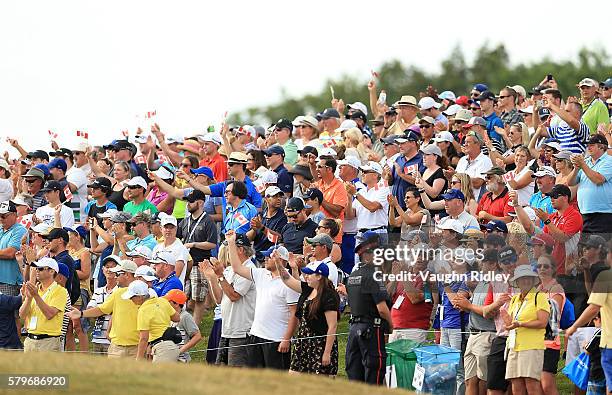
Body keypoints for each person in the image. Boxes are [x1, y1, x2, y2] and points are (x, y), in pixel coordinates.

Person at [228, 239, 299, 370]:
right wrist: (231, 243)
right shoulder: (261, 274)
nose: (265, 259)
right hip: (256, 335)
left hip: (276, 339)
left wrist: (286, 339)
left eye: (269, 257)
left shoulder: (290, 283)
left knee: (276, 381)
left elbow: (295, 313)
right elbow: (237, 268)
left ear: (281, 260)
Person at [340, 233, 392, 385]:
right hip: (370, 330)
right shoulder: (374, 275)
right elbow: (382, 308)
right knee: (374, 373)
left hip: (354, 330)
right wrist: (391, 324)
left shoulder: (353, 275)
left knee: (355, 376)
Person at [276, 256, 340, 376]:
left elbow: (333, 327)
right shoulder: (308, 289)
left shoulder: (329, 295)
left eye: (310, 274)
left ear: (319, 276)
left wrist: (327, 353)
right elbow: (286, 279)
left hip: (320, 345)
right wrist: (278, 262)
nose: (306, 277)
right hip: (303, 343)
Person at [68, 259, 140, 358]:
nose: (115, 276)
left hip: (136, 346)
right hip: (116, 346)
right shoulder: (118, 293)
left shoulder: (144, 294)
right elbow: (102, 309)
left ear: (127, 275)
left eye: (118, 274)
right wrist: (81, 314)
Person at [203, 233, 256, 367]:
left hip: (241, 332)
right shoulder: (229, 270)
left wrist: (220, 276)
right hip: (227, 330)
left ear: (240, 250)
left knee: (236, 372)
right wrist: (212, 278)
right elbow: (219, 299)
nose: (226, 251)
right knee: (222, 370)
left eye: (229, 248)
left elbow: (234, 296)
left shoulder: (249, 269)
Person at [503, 265, 550, 395]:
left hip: (531, 346)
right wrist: (508, 323)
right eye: (522, 278)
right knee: (516, 384)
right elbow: (512, 322)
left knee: (531, 384)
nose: (526, 281)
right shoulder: (514, 299)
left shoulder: (539, 296)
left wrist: (520, 324)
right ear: (517, 282)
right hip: (514, 345)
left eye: (528, 278)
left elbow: (542, 322)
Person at [122, 280, 180, 362]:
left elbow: (144, 338)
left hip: (161, 348)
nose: (130, 300)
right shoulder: (162, 301)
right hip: (172, 345)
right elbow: (177, 318)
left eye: (131, 297)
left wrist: (139, 358)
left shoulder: (143, 310)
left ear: (140, 297)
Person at [18, 257, 68, 352]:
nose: (37, 271)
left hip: (49, 341)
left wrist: (35, 296)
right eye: (36, 268)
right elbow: (22, 315)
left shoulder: (60, 291)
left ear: (52, 271)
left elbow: (49, 314)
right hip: (30, 340)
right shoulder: (35, 289)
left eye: (40, 268)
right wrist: (28, 298)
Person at [568, 134, 612, 234]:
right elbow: (570, 182)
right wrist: (576, 168)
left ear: (601, 146)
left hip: (603, 213)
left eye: (591, 145)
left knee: (601, 247)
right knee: (586, 248)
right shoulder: (586, 162)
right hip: (585, 212)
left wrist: (582, 164)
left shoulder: (609, 161)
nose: (588, 147)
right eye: (587, 145)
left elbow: (598, 179)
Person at [535, 254, 564, 395]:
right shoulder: (537, 289)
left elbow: (552, 316)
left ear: (553, 269)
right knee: (537, 385)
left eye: (546, 266)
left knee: (547, 384)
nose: (542, 269)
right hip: (534, 340)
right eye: (539, 266)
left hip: (549, 341)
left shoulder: (556, 288)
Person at [345, 161, 389, 244]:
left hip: (377, 232)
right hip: (360, 234)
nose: (362, 174)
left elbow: (372, 207)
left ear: (375, 175)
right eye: (362, 172)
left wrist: (355, 193)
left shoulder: (383, 189)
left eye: (365, 172)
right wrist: (349, 198)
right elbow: (350, 216)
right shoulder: (361, 191)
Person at [86, 256, 118, 354]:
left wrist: (98, 311)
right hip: (97, 338)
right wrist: (104, 311)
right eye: (107, 267)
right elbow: (90, 310)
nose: (109, 269)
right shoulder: (99, 291)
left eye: (113, 267)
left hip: (112, 339)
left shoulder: (120, 291)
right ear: (103, 269)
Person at [248, 186, 287, 261]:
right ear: (266, 199)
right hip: (257, 257)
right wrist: (254, 229)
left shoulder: (283, 217)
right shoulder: (260, 215)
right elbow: (249, 238)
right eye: (275, 196)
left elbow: (278, 238)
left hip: (273, 258)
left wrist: (261, 227)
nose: (279, 199)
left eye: (280, 196)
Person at [388, 130, 424, 210]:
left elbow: (420, 182)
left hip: (411, 207)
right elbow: (391, 183)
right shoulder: (398, 158)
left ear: (413, 143)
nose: (400, 146)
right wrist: (389, 176)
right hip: (395, 205)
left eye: (403, 143)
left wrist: (401, 174)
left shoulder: (421, 160)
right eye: (399, 144)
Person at [453, 131, 493, 200]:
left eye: (468, 142)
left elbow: (478, 183)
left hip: (474, 202)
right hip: (458, 201)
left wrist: (459, 177)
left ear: (477, 144)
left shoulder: (485, 160)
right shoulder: (462, 160)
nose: (465, 144)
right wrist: (450, 177)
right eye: (464, 142)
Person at [0, 201, 28, 296]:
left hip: (9, 282)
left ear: (14, 215)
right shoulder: (1, 229)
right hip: (3, 280)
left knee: (6, 310)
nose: (0, 219)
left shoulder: (20, 231)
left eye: (3, 216)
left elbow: (11, 253)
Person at [165, 289, 202, 363]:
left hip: (181, 360)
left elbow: (197, 336)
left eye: (168, 301)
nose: (165, 303)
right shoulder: (167, 315)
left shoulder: (185, 317)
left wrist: (181, 350)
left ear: (176, 304)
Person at [152, 214, 189, 285]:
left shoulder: (181, 248)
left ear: (176, 229)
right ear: (160, 229)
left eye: (171, 227)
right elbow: (153, 268)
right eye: (166, 227)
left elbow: (176, 275)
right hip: (158, 287)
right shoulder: (156, 248)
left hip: (173, 289)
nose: (168, 230)